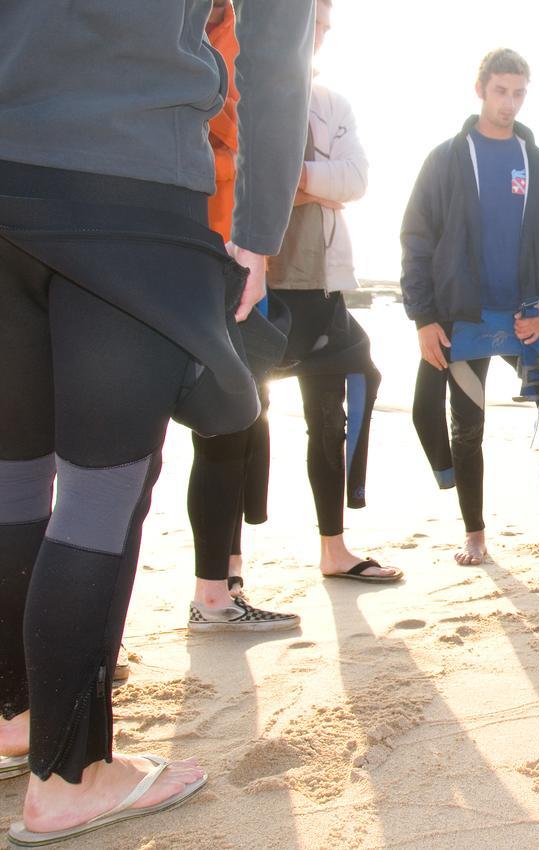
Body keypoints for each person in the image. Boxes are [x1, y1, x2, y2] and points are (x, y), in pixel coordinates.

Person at [0, 0, 314, 844]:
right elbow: (276, 42)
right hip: (132, 182)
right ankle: (69, 778)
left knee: (15, 478)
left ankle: (15, 715)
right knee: (101, 499)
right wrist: (256, 232)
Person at [401, 48, 539, 565]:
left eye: (518, 93)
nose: (509, 103)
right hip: (463, 319)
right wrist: (423, 317)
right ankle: (474, 533)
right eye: (500, 91)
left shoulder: (537, 163)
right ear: (481, 90)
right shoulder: (446, 159)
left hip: (524, 317)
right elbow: (416, 239)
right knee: (467, 427)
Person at [262, 0, 398, 586]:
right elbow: (249, 178)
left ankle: (334, 547)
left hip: (324, 284)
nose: (318, 35)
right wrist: (316, 186)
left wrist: (301, 181)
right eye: (311, 21)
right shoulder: (251, 86)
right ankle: (228, 571)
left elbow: (358, 178)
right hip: (261, 284)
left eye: (325, 26)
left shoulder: (334, 104)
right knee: (242, 417)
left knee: (339, 402)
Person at [185, 0, 302, 631]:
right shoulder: (220, 33)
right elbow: (218, 116)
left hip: (229, 253)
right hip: (206, 249)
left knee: (233, 424)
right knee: (212, 432)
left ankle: (223, 583)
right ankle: (212, 593)